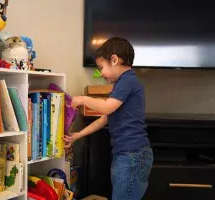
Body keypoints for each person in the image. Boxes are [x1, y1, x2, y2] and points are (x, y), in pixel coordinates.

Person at [64, 37, 153, 200]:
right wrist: (78, 135)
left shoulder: (127, 81)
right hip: (127, 154)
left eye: (101, 68)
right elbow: (105, 118)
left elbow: (107, 107)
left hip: (132, 155)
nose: (101, 73)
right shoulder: (123, 84)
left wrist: (83, 99)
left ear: (114, 60)